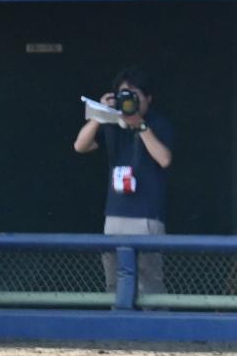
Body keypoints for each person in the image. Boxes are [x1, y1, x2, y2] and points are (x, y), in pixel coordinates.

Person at [73, 66, 175, 297]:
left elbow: (164, 159)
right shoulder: (111, 124)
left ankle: (155, 331)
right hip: (115, 216)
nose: (128, 100)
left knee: (149, 284)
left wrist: (139, 124)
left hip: (147, 216)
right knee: (115, 283)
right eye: (123, 95)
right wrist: (99, 114)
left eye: (134, 95)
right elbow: (80, 146)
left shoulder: (157, 123)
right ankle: (116, 331)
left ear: (148, 98)